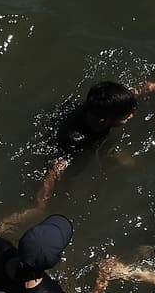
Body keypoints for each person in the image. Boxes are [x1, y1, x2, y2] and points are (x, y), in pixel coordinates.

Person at [33, 81, 138, 210]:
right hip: (63, 133)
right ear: (104, 120)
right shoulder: (76, 140)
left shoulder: (99, 107)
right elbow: (55, 168)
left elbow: (140, 89)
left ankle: (110, 151)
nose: (132, 115)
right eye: (126, 115)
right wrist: (41, 205)